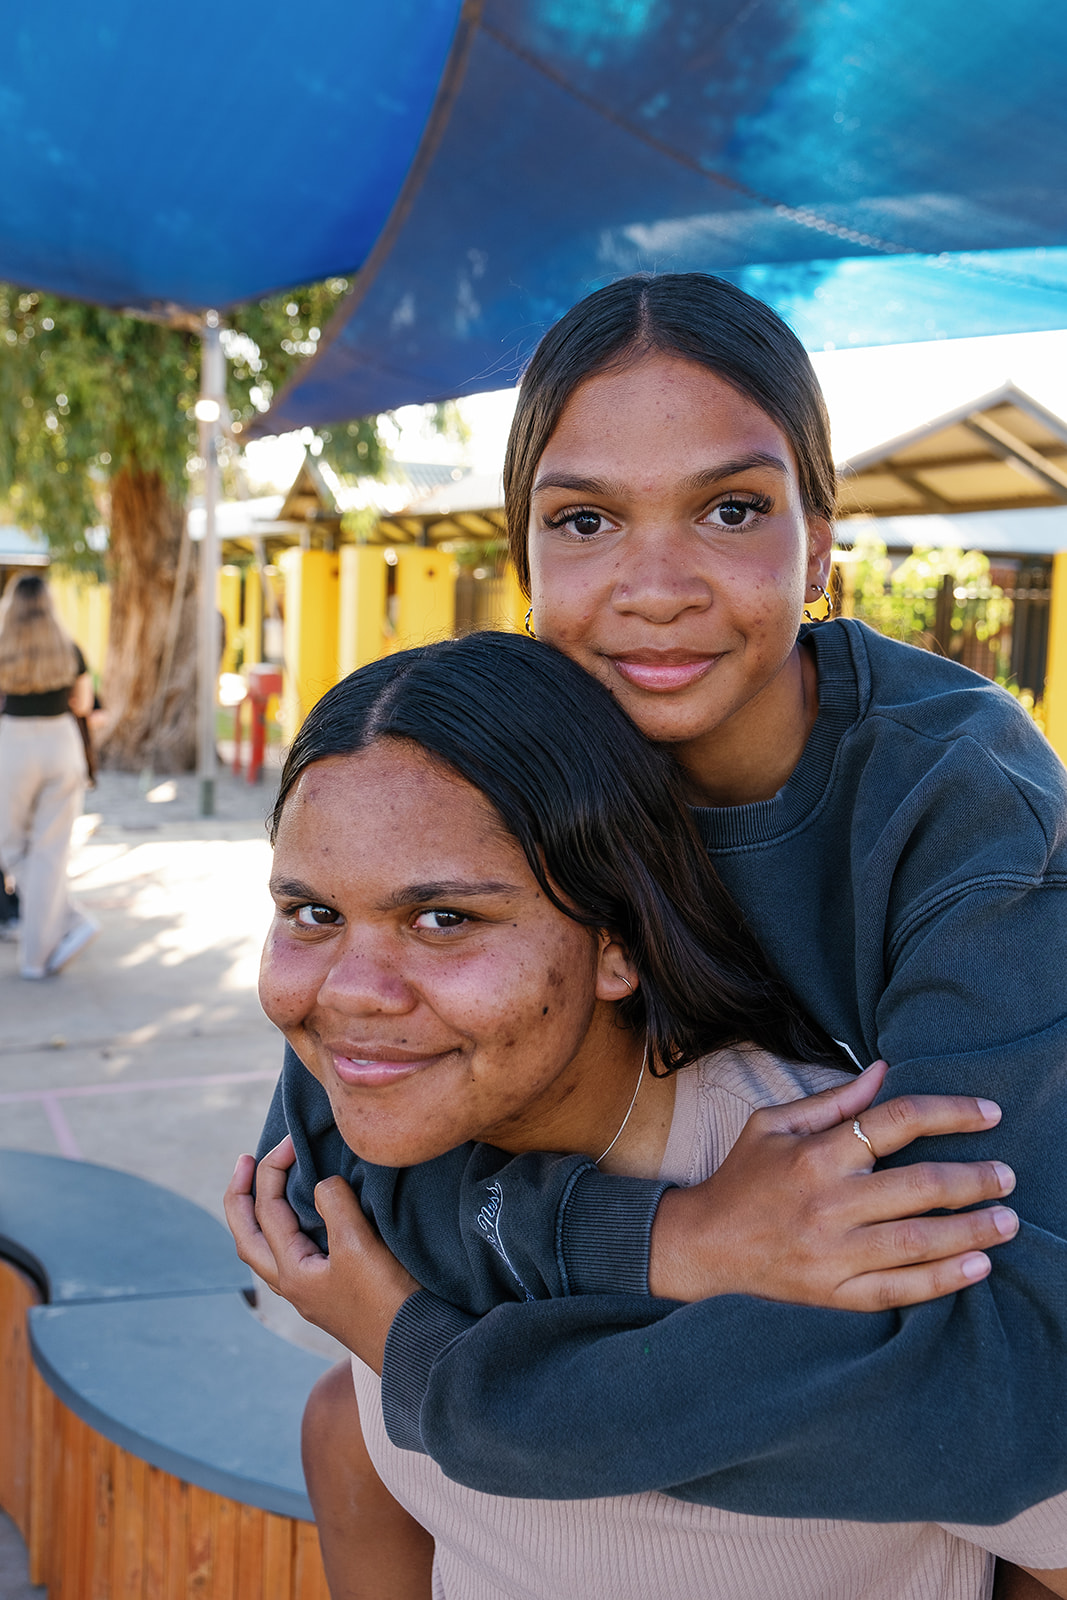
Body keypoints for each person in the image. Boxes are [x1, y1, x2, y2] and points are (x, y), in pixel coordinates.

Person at [242, 276, 1067, 1554]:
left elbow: (998, 1370)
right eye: (583, 520)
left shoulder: (960, 809)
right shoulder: (511, 751)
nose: (655, 584)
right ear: (520, 551)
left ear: (822, 539)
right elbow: (333, 1165)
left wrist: (448, 1376)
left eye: (730, 509)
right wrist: (663, 1242)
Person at [229, 630, 1063, 1599]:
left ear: (616, 940)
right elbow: (352, 1425)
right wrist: (655, 1243)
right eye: (311, 913)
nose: (352, 994)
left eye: (443, 919)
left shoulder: (830, 1210)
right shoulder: (367, 1165)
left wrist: (434, 1366)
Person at [0, 573, 98, 979]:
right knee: (50, 850)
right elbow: (84, 704)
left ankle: (66, 928)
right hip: (61, 742)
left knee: (10, 846)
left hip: (14, 746)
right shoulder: (69, 647)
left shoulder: (3, 645)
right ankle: (43, 951)